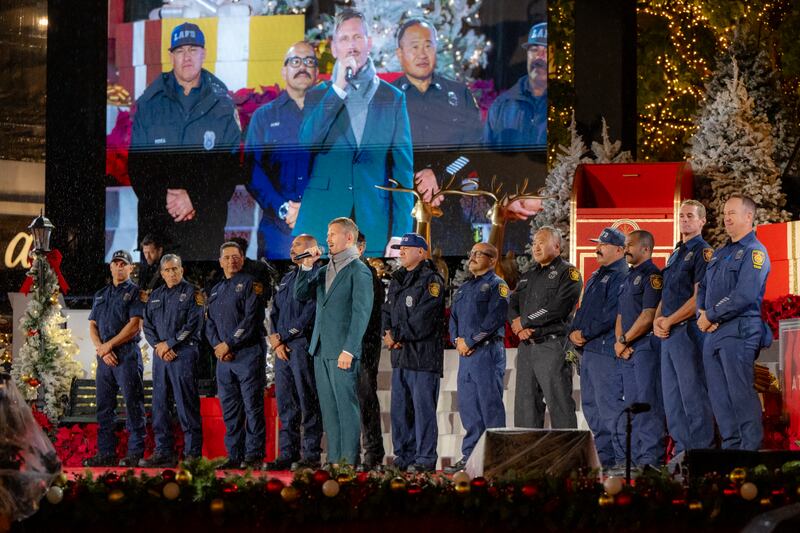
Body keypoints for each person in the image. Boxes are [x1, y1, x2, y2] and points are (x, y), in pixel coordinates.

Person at [294, 9, 414, 256]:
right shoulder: (319, 95)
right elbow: (307, 142)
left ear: (369, 43)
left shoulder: (392, 98)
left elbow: (402, 171)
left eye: (358, 37)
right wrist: (338, 89)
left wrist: (401, 233)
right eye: (344, 39)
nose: (352, 46)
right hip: (322, 222)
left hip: (373, 223)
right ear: (334, 47)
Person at [128, 22, 241, 260]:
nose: (186, 57)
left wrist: (193, 199)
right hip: (157, 230)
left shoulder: (223, 104)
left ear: (204, 54)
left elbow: (229, 170)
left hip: (204, 229)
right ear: (171, 56)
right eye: (180, 51)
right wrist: (166, 200)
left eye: (193, 49)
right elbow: (138, 167)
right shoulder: (149, 103)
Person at [392, 18, 482, 254]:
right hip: (402, 210)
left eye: (428, 45)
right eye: (414, 46)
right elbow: (379, 156)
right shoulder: (386, 99)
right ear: (400, 53)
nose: (422, 53)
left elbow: (473, 149)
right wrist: (416, 183)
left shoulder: (459, 95)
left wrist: (440, 177)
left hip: (450, 208)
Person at [294, 217, 373, 465]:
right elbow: (300, 294)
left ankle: (349, 461)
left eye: (332, 234)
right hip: (321, 348)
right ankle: (334, 459)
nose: (327, 239)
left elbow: (361, 314)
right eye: (327, 234)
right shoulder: (324, 268)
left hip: (342, 351)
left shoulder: (359, 271)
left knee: (345, 407)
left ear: (349, 238)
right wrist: (306, 266)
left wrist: (349, 349)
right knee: (329, 407)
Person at [698, 194, 772, 451]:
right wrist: (701, 314)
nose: (726, 217)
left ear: (748, 217)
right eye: (725, 213)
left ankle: (749, 456)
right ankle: (731, 455)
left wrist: (711, 315)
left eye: (732, 213)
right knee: (719, 399)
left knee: (740, 396)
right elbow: (703, 288)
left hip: (739, 331)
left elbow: (745, 295)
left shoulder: (755, 253)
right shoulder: (720, 254)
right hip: (713, 334)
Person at [244, 41, 318, 260]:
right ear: (284, 71)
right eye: (295, 61)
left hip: (321, 225)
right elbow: (252, 172)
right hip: (277, 230)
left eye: (309, 61)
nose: (302, 66)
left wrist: (310, 208)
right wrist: (283, 209)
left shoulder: (331, 116)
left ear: (316, 72)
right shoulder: (264, 117)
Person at [653, 200, 715, 457]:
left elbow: (698, 297)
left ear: (702, 221)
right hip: (667, 333)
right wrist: (658, 319)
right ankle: (680, 455)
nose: (685, 220)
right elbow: (666, 294)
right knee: (672, 400)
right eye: (681, 216)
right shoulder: (676, 253)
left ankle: (700, 455)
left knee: (693, 396)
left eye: (690, 216)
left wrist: (669, 320)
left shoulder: (703, 252)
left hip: (688, 332)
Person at [383, 233, 445, 472]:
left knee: (423, 412)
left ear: (421, 252)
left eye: (407, 248)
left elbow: (425, 318)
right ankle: (404, 457)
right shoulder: (397, 279)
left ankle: (425, 459)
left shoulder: (432, 280)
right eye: (400, 248)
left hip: (422, 357)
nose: (401, 251)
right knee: (400, 412)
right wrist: (387, 333)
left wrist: (397, 335)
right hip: (400, 357)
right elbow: (386, 310)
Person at [446, 242, 509, 473]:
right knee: (469, 407)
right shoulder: (464, 288)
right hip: (466, 356)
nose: (471, 257)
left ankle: (497, 458)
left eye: (478, 254)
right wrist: (457, 341)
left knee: (489, 406)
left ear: (492, 260)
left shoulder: (497, 285)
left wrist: (471, 341)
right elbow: (453, 318)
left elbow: (496, 317)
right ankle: (470, 456)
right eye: (471, 253)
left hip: (487, 353)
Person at [509, 226, 581, 429]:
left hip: (552, 346)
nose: (536, 247)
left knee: (560, 406)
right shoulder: (528, 275)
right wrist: (519, 326)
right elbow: (512, 304)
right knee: (526, 408)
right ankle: (530, 458)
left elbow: (557, 308)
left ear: (556, 246)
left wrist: (526, 321)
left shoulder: (568, 273)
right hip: (526, 349)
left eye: (541, 242)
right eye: (534, 243)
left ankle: (567, 458)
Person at [568, 228, 628, 468]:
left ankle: (623, 464)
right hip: (588, 352)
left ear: (620, 250)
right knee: (592, 411)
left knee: (610, 410)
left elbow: (612, 312)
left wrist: (585, 332)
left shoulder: (621, 274)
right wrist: (574, 332)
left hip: (604, 351)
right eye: (598, 243)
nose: (598, 248)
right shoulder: (596, 275)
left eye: (604, 244)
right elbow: (583, 310)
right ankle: (607, 463)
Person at [205, 242, 267, 469]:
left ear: (242, 259)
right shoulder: (216, 290)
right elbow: (209, 323)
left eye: (235, 256)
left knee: (252, 407)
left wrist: (229, 344)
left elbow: (251, 319)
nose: (231, 260)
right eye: (227, 257)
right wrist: (218, 346)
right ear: (220, 262)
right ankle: (234, 456)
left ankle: (253, 456)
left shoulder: (252, 284)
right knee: (230, 410)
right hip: (224, 360)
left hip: (248, 355)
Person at [264, 235, 323, 470]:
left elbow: (311, 310)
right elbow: (275, 311)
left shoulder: (318, 275)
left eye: (297, 245)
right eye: (291, 246)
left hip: (302, 345)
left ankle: (310, 454)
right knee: (286, 403)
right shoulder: (288, 278)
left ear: (310, 249)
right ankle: (287, 453)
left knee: (307, 400)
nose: (291, 249)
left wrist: (286, 336)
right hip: (282, 349)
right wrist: (276, 339)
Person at [83, 250, 146, 467]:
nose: (119, 267)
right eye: (115, 264)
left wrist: (109, 345)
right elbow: (92, 325)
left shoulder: (136, 292)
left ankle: (135, 453)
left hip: (126, 355)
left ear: (131, 268)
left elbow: (135, 324)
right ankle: (106, 453)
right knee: (104, 407)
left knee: (133, 404)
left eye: (123, 264)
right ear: (110, 267)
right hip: (104, 358)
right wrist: (101, 348)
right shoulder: (100, 294)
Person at [140, 253, 204, 467]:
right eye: (167, 270)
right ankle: (163, 453)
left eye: (174, 269)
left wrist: (171, 343)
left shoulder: (193, 293)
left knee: (186, 406)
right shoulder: (155, 295)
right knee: (160, 406)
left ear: (181, 270)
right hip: (161, 357)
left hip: (183, 354)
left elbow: (193, 324)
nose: (171, 273)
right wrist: (159, 345)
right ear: (161, 273)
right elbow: (147, 326)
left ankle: (192, 455)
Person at [614, 230, 666, 467]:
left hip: (645, 348)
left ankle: (650, 460)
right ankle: (633, 461)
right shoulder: (628, 277)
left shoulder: (652, 275)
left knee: (647, 404)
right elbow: (620, 314)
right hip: (627, 351)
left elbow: (648, 316)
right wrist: (620, 342)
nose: (626, 249)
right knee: (631, 406)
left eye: (630, 245)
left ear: (645, 249)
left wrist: (625, 340)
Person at [484, 22, 547, 149]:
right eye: (534, 49)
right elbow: (486, 157)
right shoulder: (501, 106)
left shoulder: (568, 107)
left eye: (547, 50)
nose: (539, 57)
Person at [356, 232, 386, 469]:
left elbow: (366, 315)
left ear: (361, 247)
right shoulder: (334, 273)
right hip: (339, 350)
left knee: (365, 400)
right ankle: (348, 454)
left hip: (363, 347)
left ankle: (373, 454)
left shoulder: (368, 274)